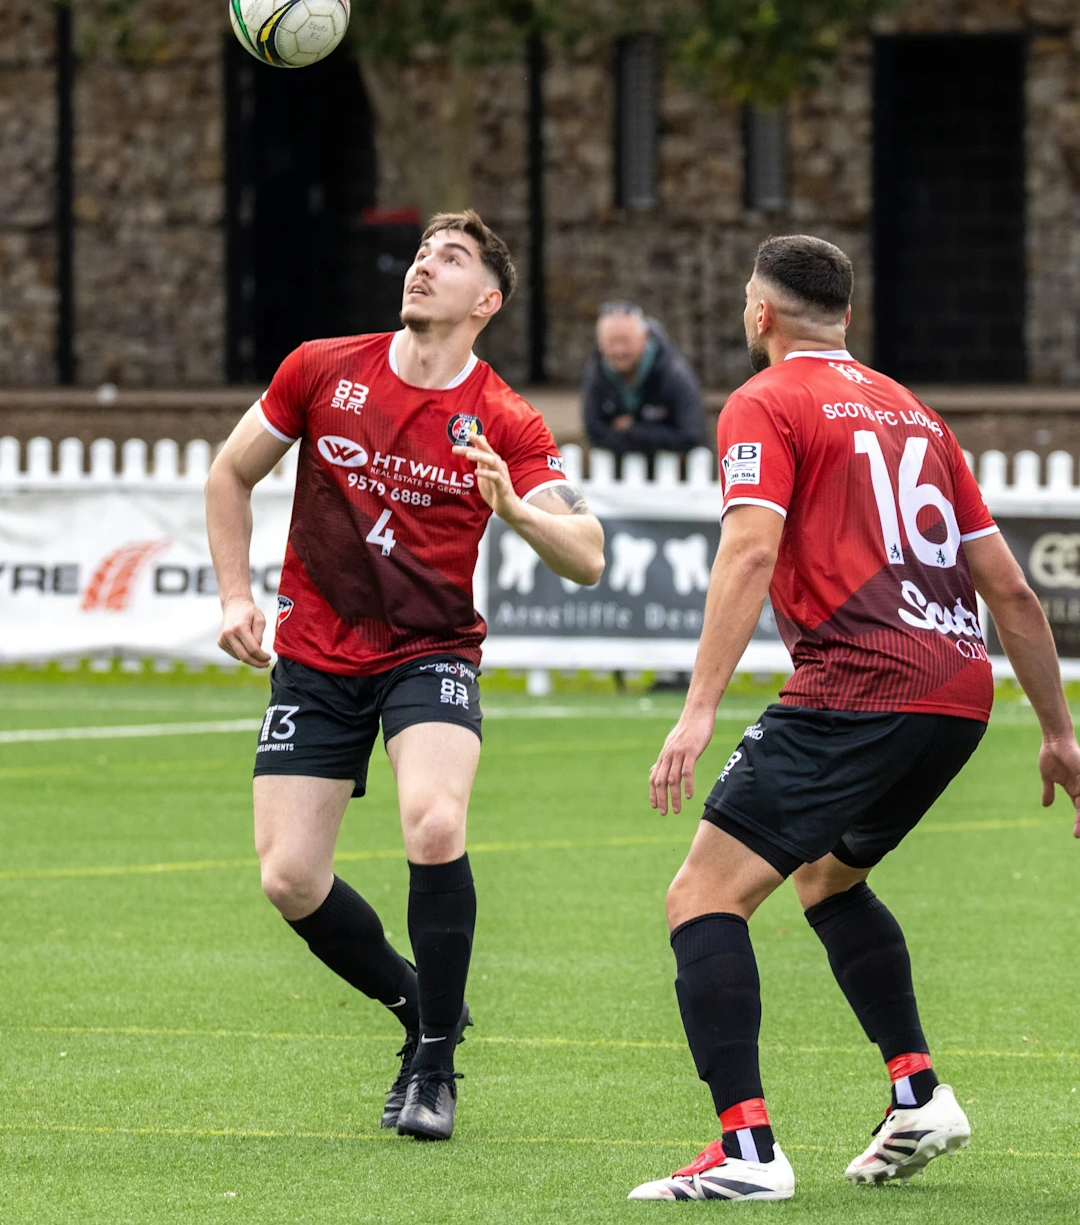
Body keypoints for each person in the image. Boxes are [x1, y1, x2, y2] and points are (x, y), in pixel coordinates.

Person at [628, 234, 1080, 1202]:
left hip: (858, 688)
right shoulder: (915, 414)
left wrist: (696, 711)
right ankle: (917, 1094)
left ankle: (747, 1153)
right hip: (956, 694)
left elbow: (749, 554)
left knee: (701, 897)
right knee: (830, 878)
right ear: (847, 316)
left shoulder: (765, 399)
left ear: (761, 315)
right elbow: (1013, 595)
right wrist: (1059, 732)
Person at [205, 210, 604, 1143]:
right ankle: (422, 1006)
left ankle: (433, 1065)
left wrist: (515, 506)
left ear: (488, 301)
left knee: (433, 820)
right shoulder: (321, 368)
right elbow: (230, 475)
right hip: (315, 652)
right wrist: (234, 596)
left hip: (429, 650)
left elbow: (586, 553)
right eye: (423, 253)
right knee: (290, 878)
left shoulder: (505, 419)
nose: (425, 266)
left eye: (451, 259)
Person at [582, 301, 706, 456]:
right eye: (612, 342)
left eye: (626, 341)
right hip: (616, 475)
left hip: (676, 473)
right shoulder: (596, 372)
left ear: (644, 338)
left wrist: (632, 429)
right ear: (600, 343)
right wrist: (656, 433)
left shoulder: (674, 374)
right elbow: (594, 433)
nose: (619, 350)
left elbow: (692, 434)